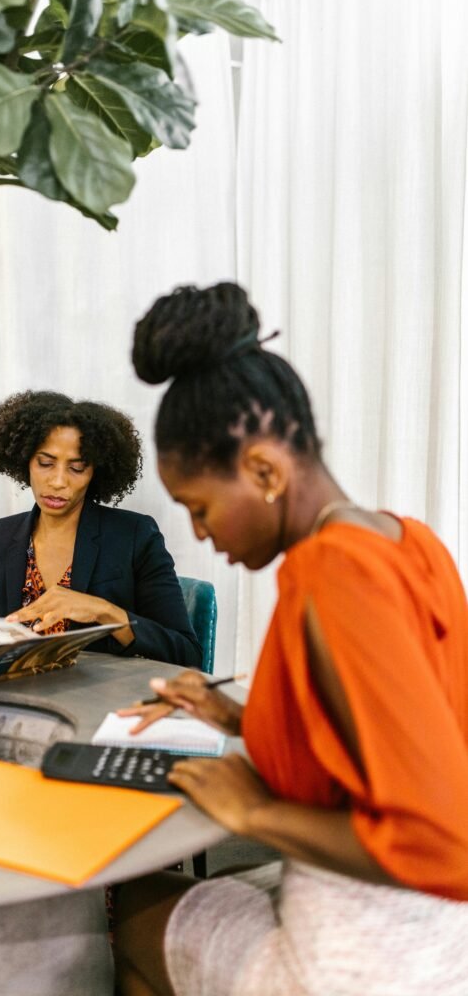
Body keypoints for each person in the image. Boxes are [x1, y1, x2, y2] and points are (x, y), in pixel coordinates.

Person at [112, 282, 468, 996]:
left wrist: (253, 812)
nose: (200, 534)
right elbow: (386, 736)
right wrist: (237, 718)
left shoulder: (334, 574)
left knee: (120, 908)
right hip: (440, 945)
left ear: (265, 471)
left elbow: (446, 841)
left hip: (361, 962)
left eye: (200, 507)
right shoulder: (407, 542)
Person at [0, 390, 201, 667]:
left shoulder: (134, 536)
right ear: (24, 459)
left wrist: (105, 612)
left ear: (95, 472)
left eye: (77, 468)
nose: (58, 481)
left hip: (99, 702)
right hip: (19, 701)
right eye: (45, 463)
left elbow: (187, 654)